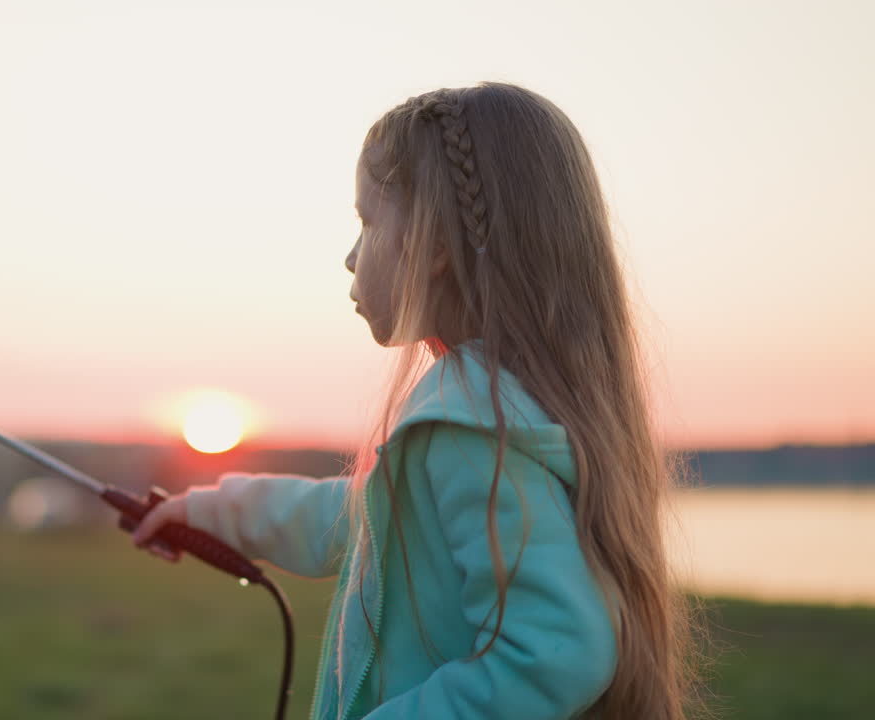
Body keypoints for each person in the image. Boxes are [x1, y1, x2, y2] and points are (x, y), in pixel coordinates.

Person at [131, 82, 703, 720]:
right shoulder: (496, 405)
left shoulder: (470, 422)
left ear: (434, 246)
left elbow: (560, 652)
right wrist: (210, 514)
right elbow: (360, 521)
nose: (351, 258)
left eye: (368, 222)